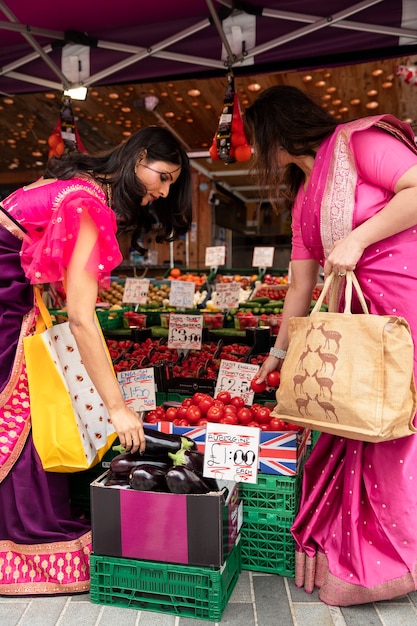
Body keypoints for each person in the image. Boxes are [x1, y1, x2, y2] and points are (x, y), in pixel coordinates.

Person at [0, 125, 192, 595]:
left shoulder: (84, 183)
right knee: (21, 413)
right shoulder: (88, 206)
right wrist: (117, 407)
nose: (162, 191)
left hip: (15, 300)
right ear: (139, 156)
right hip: (7, 307)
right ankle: (18, 546)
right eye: (163, 177)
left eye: (170, 184)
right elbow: (82, 320)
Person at [245, 85, 417, 606]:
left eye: (256, 140)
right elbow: (299, 286)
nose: (256, 153)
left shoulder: (358, 141)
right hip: (353, 320)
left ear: (277, 132)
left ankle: (399, 556)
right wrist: (276, 357)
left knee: (395, 422)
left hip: (402, 304)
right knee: (355, 418)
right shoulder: (304, 196)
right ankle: (363, 548)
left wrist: (359, 238)